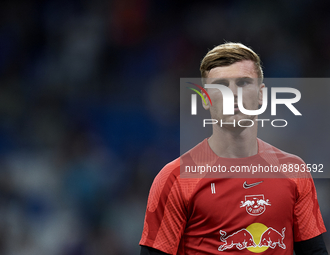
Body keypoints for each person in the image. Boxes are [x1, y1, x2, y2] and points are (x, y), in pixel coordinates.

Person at [139, 42, 328, 255]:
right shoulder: (174, 178)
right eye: (221, 85)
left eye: (243, 82)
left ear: (261, 95)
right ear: (205, 99)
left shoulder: (294, 170)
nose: (232, 94)